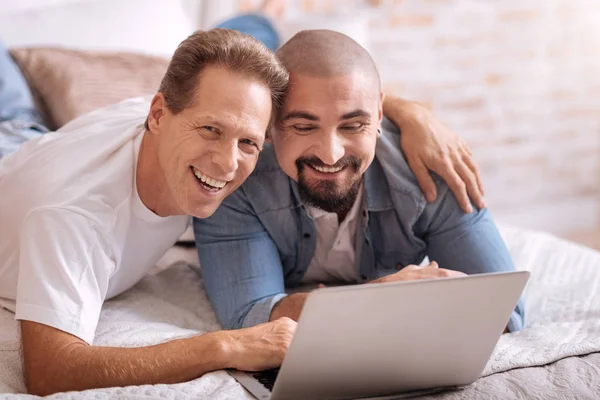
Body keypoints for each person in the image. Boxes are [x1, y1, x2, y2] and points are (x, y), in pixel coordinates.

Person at [0, 3, 484, 397]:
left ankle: (256, 18)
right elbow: (51, 372)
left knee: (248, 33)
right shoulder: (71, 216)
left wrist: (406, 111)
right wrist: (225, 346)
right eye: (210, 130)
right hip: (12, 148)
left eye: (248, 142)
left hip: (56, 140)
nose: (227, 165)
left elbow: (326, 90)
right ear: (158, 115)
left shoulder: (188, 117)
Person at [193, 29, 525, 334]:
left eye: (352, 126)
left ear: (379, 115)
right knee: (237, 38)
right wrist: (378, 299)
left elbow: (505, 313)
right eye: (304, 127)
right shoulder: (234, 175)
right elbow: (249, 316)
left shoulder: (431, 167)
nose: (330, 155)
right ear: (270, 124)